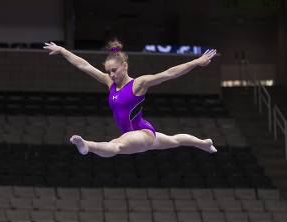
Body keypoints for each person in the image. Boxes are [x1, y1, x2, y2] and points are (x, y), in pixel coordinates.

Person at [43, 39, 218, 158]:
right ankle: (204, 143)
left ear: (125, 66)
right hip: (135, 134)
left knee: (116, 146)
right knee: (175, 140)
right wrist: (63, 50)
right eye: (109, 71)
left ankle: (87, 145)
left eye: (114, 71)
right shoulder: (109, 82)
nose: (111, 75)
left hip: (142, 133)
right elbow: (84, 65)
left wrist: (196, 62)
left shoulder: (138, 84)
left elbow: (169, 73)